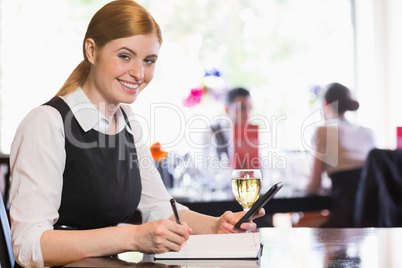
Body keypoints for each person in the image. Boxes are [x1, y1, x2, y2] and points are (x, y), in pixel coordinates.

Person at [9, 1, 265, 267]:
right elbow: (28, 245)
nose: (139, 73)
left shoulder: (128, 123)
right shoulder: (47, 123)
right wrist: (132, 237)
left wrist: (217, 225)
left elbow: (163, 210)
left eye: (149, 61)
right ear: (92, 50)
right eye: (125, 56)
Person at [306, 82, 375, 227]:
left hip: (345, 217)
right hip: (373, 217)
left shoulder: (325, 131)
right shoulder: (368, 133)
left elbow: (314, 186)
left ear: (325, 104)